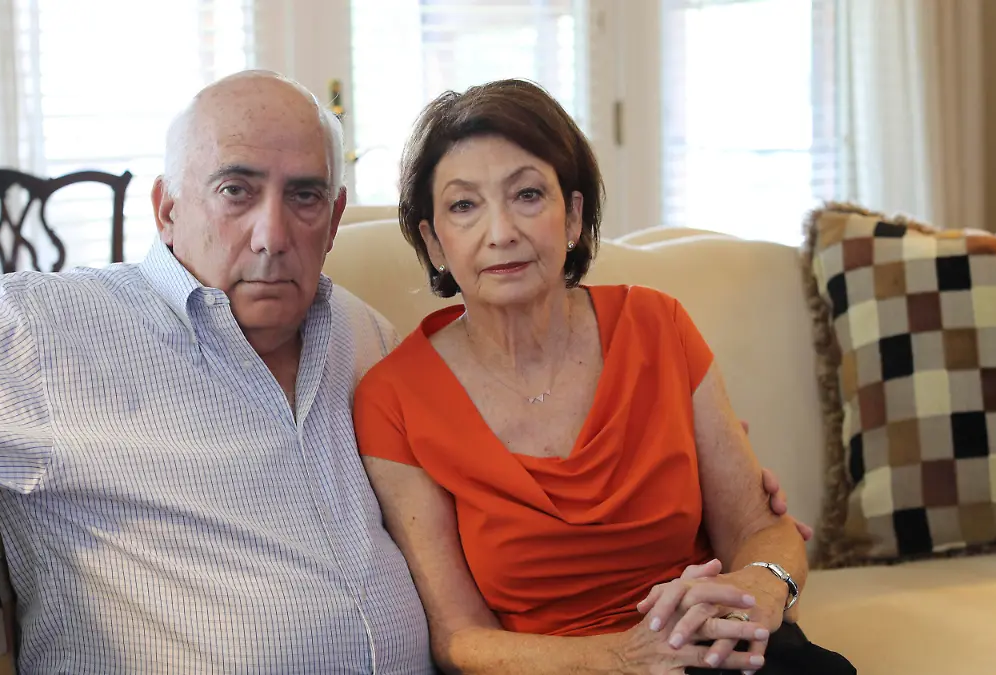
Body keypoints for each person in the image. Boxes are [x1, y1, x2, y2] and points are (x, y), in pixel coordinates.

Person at [0, 70, 806, 673]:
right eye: (235, 190)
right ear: (167, 207)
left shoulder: (361, 336)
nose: (272, 233)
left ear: (338, 218)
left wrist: (750, 539)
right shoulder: (44, 332)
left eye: (304, 197)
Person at [353, 79, 853, 675]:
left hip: (712, 648)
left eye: (528, 195)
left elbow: (757, 525)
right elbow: (459, 639)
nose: (502, 231)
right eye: (464, 206)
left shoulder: (656, 325)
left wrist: (763, 591)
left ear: (574, 215)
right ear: (435, 244)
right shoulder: (394, 398)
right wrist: (623, 656)